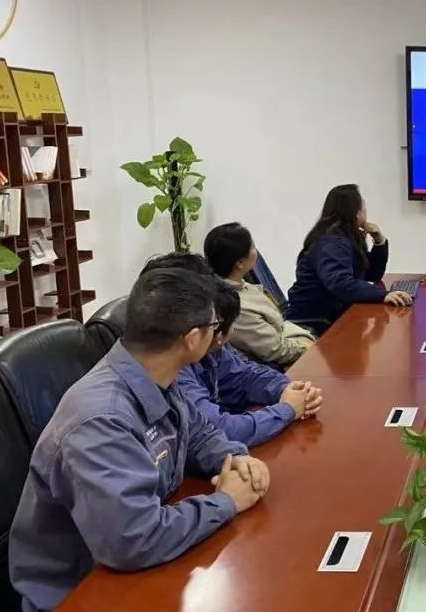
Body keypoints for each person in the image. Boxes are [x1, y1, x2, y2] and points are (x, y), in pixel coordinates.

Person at [9, 269, 270, 612]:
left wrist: (235, 458)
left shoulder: (152, 372)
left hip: (138, 567)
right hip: (81, 597)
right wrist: (226, 502)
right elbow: (134, 539)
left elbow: (196, 432)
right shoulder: (101, 420)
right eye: (214, 325)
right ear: (192, 339)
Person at [142, 253, 323, 447]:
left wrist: (288, 390)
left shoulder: (208, 339)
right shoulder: (169, 366)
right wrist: (286, 409)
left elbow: (244, 377)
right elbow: (217, 430)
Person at [285, 184, 411, 332]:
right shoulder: (332, 242)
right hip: (316, 321)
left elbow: (372, 274)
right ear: (355, 212)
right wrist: (382, 295)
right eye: (363, 206)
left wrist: (379, 241)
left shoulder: (345, 236)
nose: (365, 211)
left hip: (334, 314)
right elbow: (340, 282)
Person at [204, 222, 316, 367]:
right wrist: (308, 347)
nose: (256, 250)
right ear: (240, 263)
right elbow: (275, 350)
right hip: (285, 362)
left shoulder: (241, 283)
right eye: (252, 247)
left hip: (293, 340)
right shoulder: (237, 307)